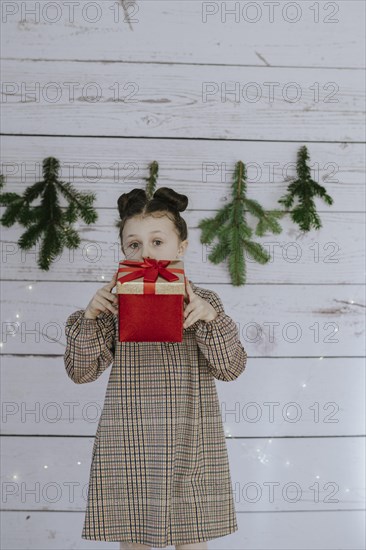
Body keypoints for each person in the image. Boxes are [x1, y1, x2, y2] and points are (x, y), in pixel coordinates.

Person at [64, 187, 248, 550]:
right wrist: (90, 319)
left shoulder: (204, 302)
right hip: (128, 442)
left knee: (192, 540)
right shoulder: (111, 306)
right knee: (135, 541)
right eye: (134, 244)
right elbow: (81, 372)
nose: (146, 253)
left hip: (191, 443)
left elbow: (231, 368)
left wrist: (210, 321)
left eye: (157, 241)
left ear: (181, 247)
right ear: (123, 251)